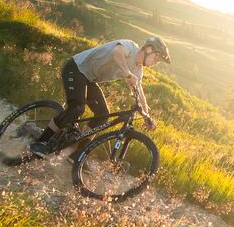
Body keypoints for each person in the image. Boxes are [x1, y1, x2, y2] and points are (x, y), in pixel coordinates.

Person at [30, 36, 172, 156]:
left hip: (90, 79)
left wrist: (146, 114)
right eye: (157, 57)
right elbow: (117, 53)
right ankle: (41, 141)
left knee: (103, 115)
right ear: (148, 49)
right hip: (76, 68)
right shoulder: (130, 47)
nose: (156, 62)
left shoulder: (138, 69)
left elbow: (139, 89)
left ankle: (77, 154)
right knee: (77, 108)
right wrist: (127, 74)